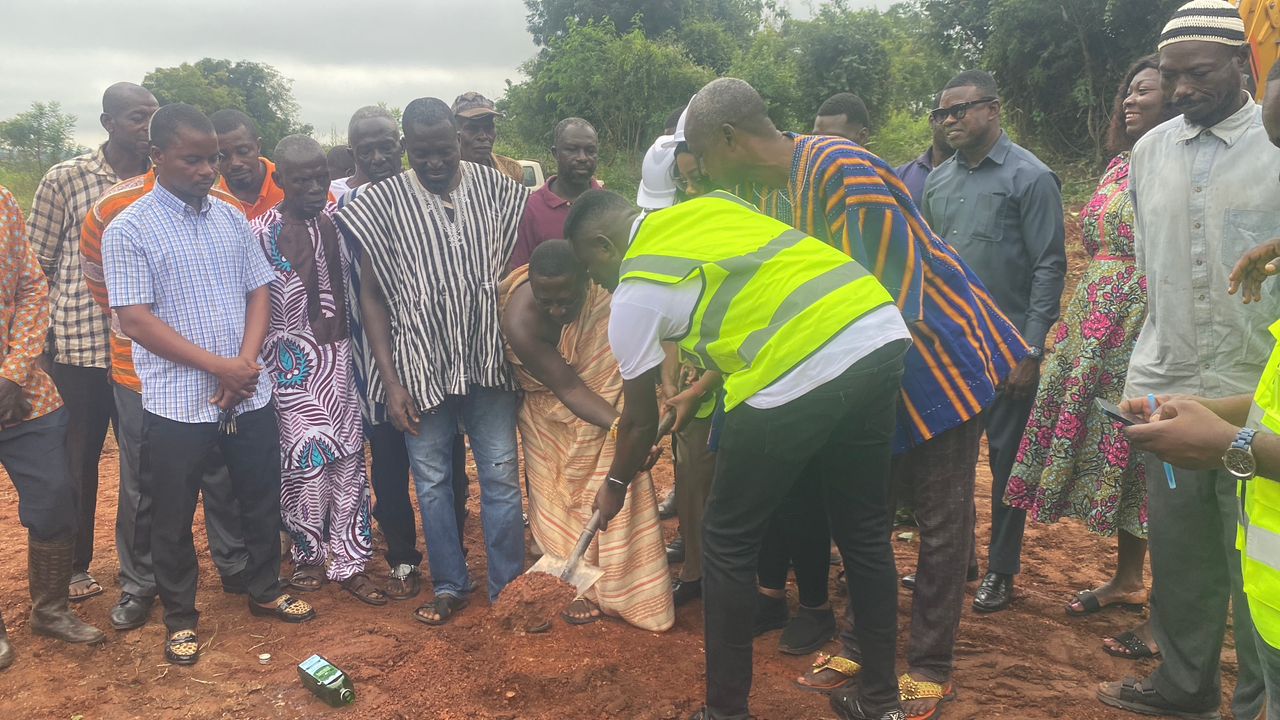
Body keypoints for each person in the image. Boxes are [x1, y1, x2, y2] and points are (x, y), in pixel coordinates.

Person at [683, 78, 1026, 719]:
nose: (699, 169)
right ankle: (861, 648)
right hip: (857, 375)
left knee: (939, 520)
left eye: (702, 153)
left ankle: (929, 664)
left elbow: (891, 295)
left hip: (932, 364)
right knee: (864, 520)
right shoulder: (766, 196)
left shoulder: (844, 169)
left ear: (728, 138)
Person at [565, 188, 911, 720]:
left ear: (604, 245)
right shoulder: (712, 208)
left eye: (591, 267)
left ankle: (725, 712)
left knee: (727, 539)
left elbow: (635, 423)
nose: (597, 282)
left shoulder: (634, 293)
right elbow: (759, 298)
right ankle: (881, 700)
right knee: (863, 529)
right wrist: (696, 393)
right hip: (875, 328)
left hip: (797, 366)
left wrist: (613, 486)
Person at [1094, 2, 1276, 716]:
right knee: (1180, 554)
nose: (1179, 90)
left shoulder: (1277, 142)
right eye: (1170, 76)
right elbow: (1152, 269)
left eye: (1197, 73)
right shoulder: (1148, 152)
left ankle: (1258, 701)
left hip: (1255, 393)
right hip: (1166, 387)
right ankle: (1183, 687)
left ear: (1242, 64)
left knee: (1261, 561)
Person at [102, 104, 315, 666]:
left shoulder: (230, 217)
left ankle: (265, 589)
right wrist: (219, 368)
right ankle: (180, 617)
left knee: (259, 496)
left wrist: (242, 365)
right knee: (172, 513)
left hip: (247, 391)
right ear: (157, 157)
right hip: (178, 402)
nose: (207, 170)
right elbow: (136, 320)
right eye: (192, 160)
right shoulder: (129, 228)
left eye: (212, 159)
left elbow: (258, 290)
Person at [1003, 56, 1173, 660]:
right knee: (1123, 455)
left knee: (1152, 455)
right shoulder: (1122, 162)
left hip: (1145, 323)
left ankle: (1167, 612)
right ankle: (1128, 580)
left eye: (1145, 90)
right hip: (1095, 321)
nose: (1130, 100)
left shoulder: (1177, 162)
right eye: (1128, 90)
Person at [336, 97, 529, 625]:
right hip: (419, 367)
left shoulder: (498, 190)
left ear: (457, 141)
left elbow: (522, 270)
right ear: (407, 149)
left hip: (488, 360)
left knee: (501, 479)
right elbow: (371, 297)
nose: (435, 162)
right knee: (433, 482)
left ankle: (508, 588)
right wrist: (390, 381)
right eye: (421, 154)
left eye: (444, 150)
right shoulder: (382, 203)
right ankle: (449, 584)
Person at [81, 160, 253, 632]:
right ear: (158, 152)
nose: (204, 167)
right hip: (143, 374)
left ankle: (235, 565)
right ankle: (140, 583)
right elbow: (101, 282)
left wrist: (223, 359)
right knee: (147, 484)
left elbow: (235, 286)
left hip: (221, 371)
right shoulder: (114, 207)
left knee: (221, 473)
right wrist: (151, 328)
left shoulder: (223, 203)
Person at [923, 69, 1067, 613]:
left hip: (1006, 350)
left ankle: (1002, 570)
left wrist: (1030, 350)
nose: (949, 120)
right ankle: (956, 560)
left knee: (1007, 464)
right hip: (951, 346)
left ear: (993, 109)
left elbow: (1048, 266)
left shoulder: (1031, 177)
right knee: (947, 462)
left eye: (960, 109)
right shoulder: (938, 181)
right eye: (942, 112)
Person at [27, 81, 158, 601]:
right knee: (76, 460)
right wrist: (37, 349)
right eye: (136, 117)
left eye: (153, 116)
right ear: (108, 123)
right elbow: (35, 267)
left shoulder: (161, 180)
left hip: (142, 349)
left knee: (142, 462)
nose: (146, 127)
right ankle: (73, 567)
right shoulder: (67, 178)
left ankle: (141, 570)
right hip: (79, 345)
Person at [501, 239, 674, 630]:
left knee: (614, 478)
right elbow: (568, 387)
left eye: (567, 300)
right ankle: (566, 583)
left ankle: (624, 587)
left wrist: (629, 434)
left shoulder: (605, 295)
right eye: (547, 301)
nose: (557, 311)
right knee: (556, 492)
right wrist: (622, 428)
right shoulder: (520, 322)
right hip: (548, 410)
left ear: (586, 280)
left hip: (605, 397)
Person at [250, 135, 380, 605]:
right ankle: (308, 555)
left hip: (341, 360)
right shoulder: (259, 233)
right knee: (303, 463)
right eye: (300, 180)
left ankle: (350, 559)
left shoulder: (340, 223)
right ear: (280, 179)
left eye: (320, 178)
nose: (312, 188)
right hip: (289, 366)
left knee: (348, 460)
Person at [0, 184, 106, 670]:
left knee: (57, 494)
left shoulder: (3, 202)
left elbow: (30, 286)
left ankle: (51, 609)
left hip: (23, 393)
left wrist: (12, 373)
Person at [506, 118, 602, 273]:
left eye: (590, 151)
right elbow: (520, 275)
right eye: (572, 149)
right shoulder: (530, 209)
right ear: (555, 153)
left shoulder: (608, 206)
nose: (582, 158)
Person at [211, 109, 285, 220]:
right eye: (222, 156)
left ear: (258, 146)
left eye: (243, 151)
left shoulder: (289, 184)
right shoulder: (212, 200)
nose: (235, 163)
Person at [895, 98, 955, 207]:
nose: (950, 121)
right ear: (931, 121)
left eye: (958, 114)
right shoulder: (901, 175)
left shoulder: (976, 175)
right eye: (943, 115)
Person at [452, 91, 524, 182]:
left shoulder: (513, 170)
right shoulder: (444, 174)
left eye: (488, 128)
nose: (483, 137)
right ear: (455, 134)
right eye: (472, 128)